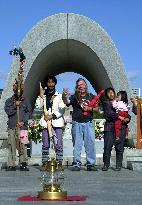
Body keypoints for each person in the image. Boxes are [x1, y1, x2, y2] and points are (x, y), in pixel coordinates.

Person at [62, 78, 99, 171]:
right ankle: (76, 164)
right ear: (77, 87)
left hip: (88, 122)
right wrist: (64, 95)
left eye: (82, 84)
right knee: (77, 144)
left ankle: (90, 164)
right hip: (76, 122)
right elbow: (67, 102)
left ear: (86, 85)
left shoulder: (91, 96)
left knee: (90, 144)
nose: (81, 86)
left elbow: (96, 109)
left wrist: (89, 109)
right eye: (79, 85)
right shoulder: (74, 96)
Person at [36, 75, 65, 166]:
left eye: (52, 82)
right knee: (45, 144)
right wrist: (40, 97)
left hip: (56, 123)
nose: (51, 84)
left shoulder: (59, 96)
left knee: (58, 144)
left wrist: (52, 116)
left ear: (55, 83)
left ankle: (59, 162)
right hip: (45, 123)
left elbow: (62, 109)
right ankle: (45, 163)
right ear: (46, 83)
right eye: (49, 82)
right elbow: (38, 107)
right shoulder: (43, 95)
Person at [102, 87, 130, 171]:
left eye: (112, 92)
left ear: (115, 93)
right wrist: (119, 116)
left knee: (119, 147)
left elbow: (126, 113)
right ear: (106, 95)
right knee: (107, 147)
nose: (111, 94)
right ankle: (106, 165)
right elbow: (108, 113)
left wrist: (128, 118)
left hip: (121, 127)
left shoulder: (120, 102)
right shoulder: (106, 103)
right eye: (108, 93)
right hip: (109, 127)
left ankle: (118, 165)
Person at [4, 85, 32, 171]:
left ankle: (23, 162)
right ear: (14, 90)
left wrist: (23, 121)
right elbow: (8, 111)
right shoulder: (9, 101)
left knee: (23, 144)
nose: (19, 92)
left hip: (22, 127)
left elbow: (29, 111)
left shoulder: (26, 100)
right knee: (11, 144)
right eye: (17, 90)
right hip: (12, 126)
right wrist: (14, 105)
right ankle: (11, 164)